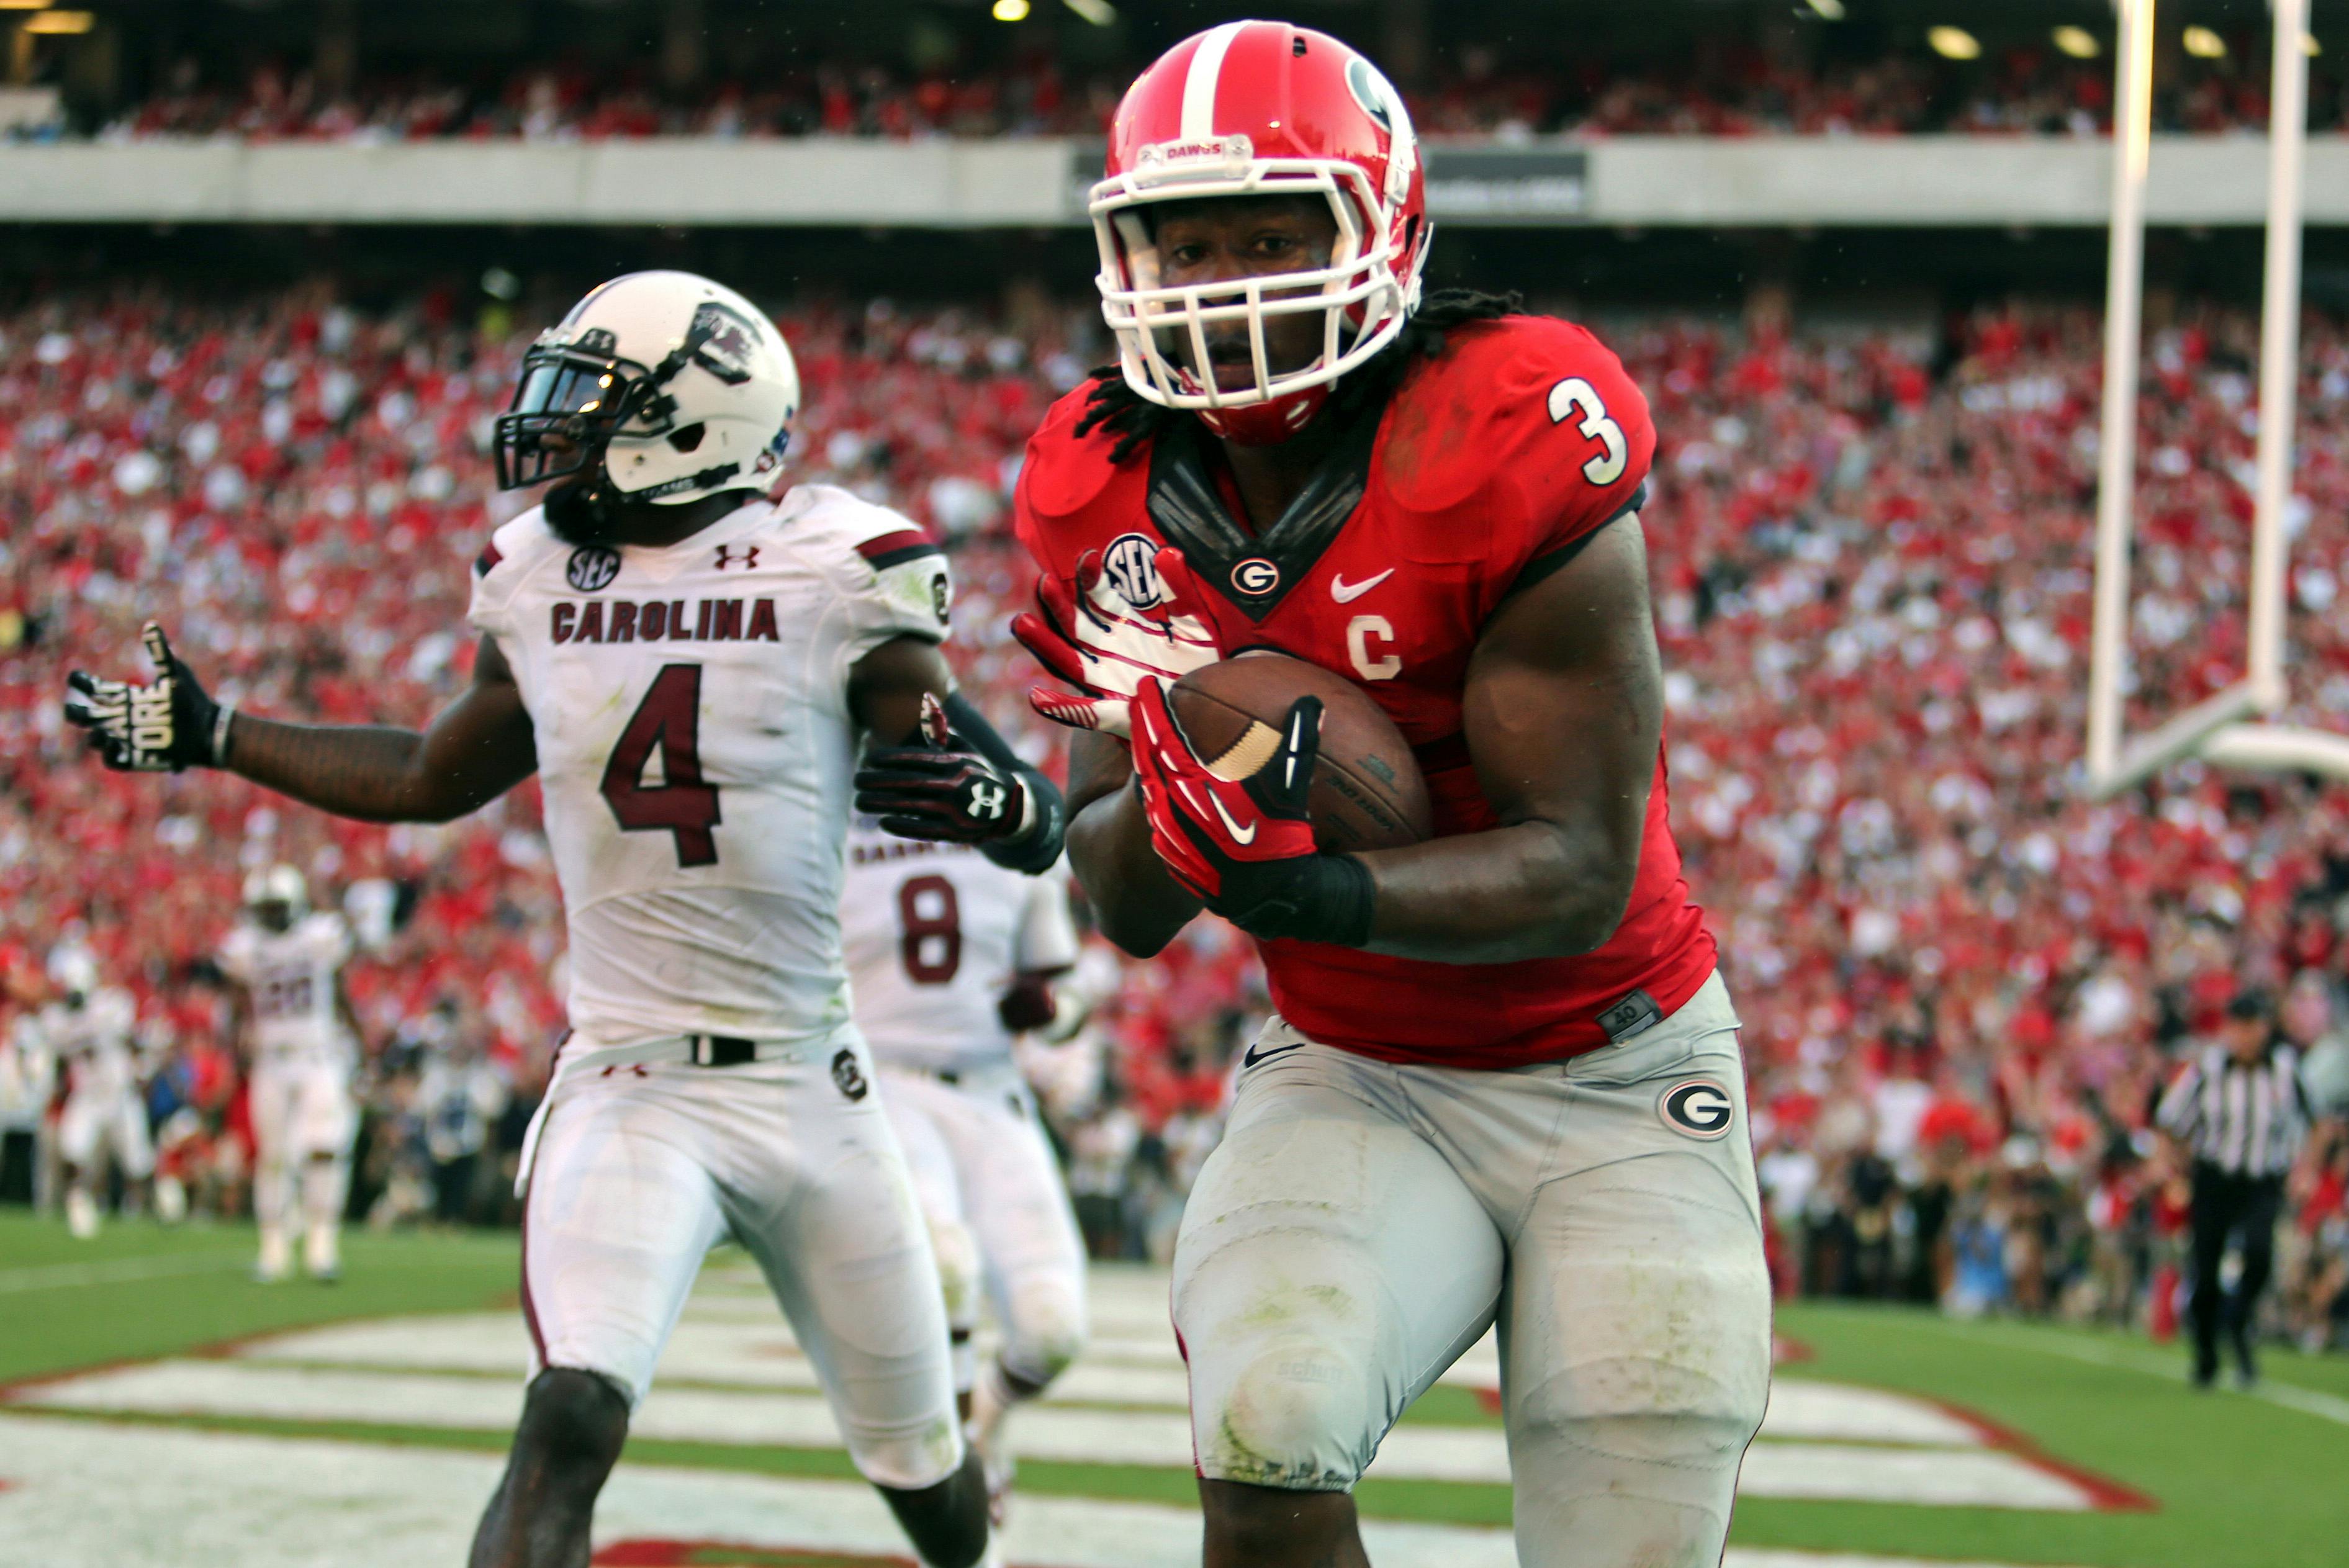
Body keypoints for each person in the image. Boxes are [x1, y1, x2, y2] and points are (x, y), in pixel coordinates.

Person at [64, 269, 1065, 1568]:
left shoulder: (832, 565)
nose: (557, 428)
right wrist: (220, 734)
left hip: (813, 1085)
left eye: (599, 404)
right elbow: (434, 775)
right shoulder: (538, 573)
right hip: (627, 1078)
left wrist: (1003, 804)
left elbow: (1013, 802)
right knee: (568, 1412)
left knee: (932, 1487)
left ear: (700, 417)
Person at [1008, 22, 1769, 1567]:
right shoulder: (1095, 481)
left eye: (1272, 234)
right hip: (1354, 1064)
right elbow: (1122, 896)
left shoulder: (1508, 423)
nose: (1223, 280)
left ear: (1384, 225)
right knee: (1265, 1435)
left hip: (1613, 1071)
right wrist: (1169, 818)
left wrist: (1289, 887)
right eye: (1186, 239)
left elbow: (1568, 860)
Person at [837, 811, 1087, 1516]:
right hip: (882, 1087)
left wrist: (1050, 1008)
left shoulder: (1012, 829)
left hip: (989, 1093)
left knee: (1054, 1331)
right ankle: (955, 1493)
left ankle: (981, 1428)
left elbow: (1072, 993)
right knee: (943, 1264)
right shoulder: (824, 821)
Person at [2158, 988, 2314, 1388]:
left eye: (2254, 1026)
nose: (2247, 1036)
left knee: (2260, 1254)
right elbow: (2171, 1120)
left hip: (2264, 1178)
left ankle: (2239, 1319)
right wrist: (2175, 1164)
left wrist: (2304, 1169)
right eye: (2239, 1026)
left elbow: (2316, 1121)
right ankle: (2207, 1353)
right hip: (2214, 1178)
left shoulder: (2285, 1069)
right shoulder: (2208, 1070)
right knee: (2205, 1268)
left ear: (2265, 1028)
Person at [217, 863, 365, 1281]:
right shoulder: (245, 946)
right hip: (271, 1058)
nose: (272, 916)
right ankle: (274, 1249)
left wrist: (361, 1045)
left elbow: (340, 994)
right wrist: (235, 1050)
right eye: (265, 908)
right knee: (274, 1157)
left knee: (323, 1149)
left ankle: (322, 1243)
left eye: (277, 907)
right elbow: (237, 1003)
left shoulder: (320, 937)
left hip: (318, 1055)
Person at [31, 947, 153, 1239]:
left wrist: (139, 1068)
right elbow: (57, 1055)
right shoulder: (55, 1018)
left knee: (137, 1162)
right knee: (73, 1149)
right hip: (88, 1095)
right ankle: (78, 1202)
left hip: (119, 1093)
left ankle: (138, 1209)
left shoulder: (111, 1005)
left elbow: (131, 1038)